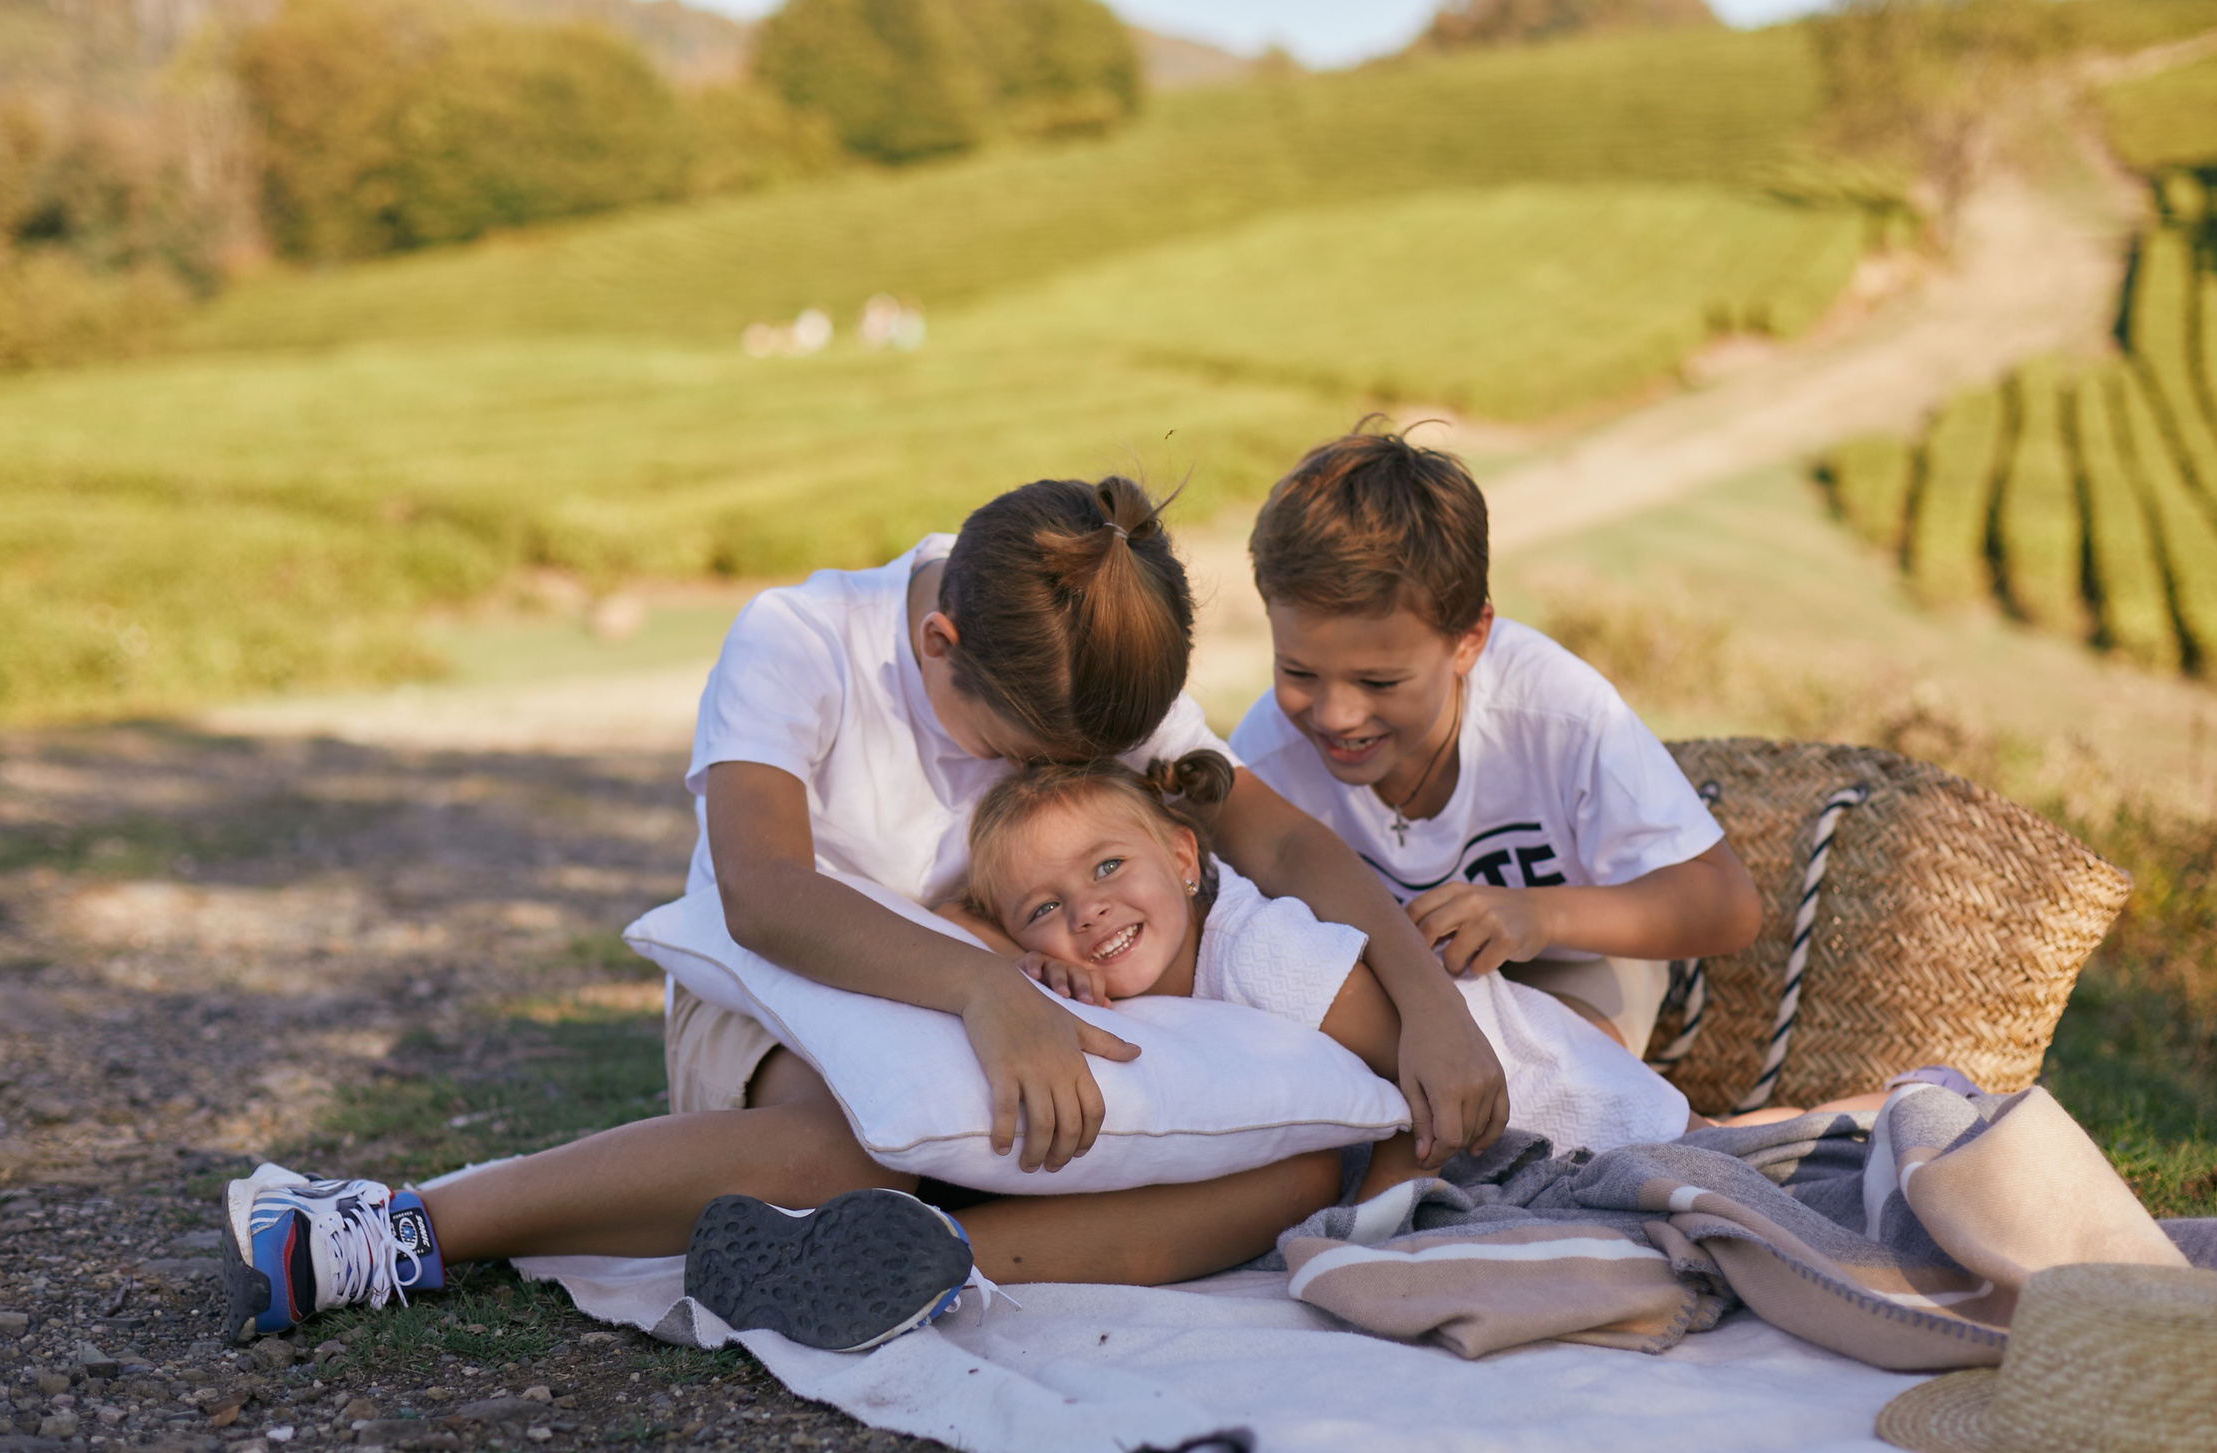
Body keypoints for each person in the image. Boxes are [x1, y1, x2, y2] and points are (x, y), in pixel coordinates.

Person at [219, 475, 1511, 1354]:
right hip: (797, 997)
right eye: (1026, 750)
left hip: (1029, 1008)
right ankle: (396, 1228)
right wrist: (984, 988)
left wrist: (1430, 1006)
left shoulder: (1082, 661)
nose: (1052, 768)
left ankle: (922, 1260)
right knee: (849, 1149)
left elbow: (1274, 838)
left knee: (1293, 1169)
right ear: (939, 643)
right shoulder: (800, 640)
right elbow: (765, 891)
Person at [943, 751, 1751, 1207]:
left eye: (1108, 866)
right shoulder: (1098, 981)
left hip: (1558, 1097)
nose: (1087, 910)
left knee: (1719, 1156)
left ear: (1185, 858)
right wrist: (1022, 961)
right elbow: (943, 918)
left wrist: (1374, 1221)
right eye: (1045, 906)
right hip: (1487, 1129)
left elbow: (1424, 1085)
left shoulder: (1261, 953)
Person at [1231, 424, 1764, 1059]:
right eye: (1298, 672)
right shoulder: (1264, 758)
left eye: (1379, 681)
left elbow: (1728, 904)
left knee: (1550, 1090)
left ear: (1469, 639)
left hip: (1569, 958)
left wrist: (1538, 914)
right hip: (1388, 987)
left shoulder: (1557, 713)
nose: (1336, 714)